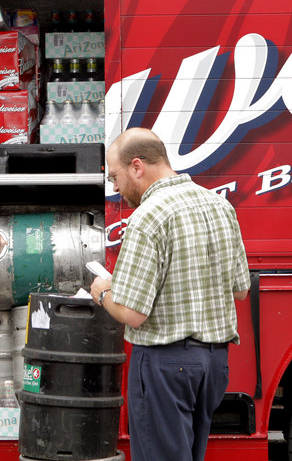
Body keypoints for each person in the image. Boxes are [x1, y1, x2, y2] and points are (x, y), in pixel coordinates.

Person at [90, 127, 251, 461]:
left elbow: (133, 313)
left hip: (166, 363)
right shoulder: (220, 205)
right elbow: (240, 289)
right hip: (213, 364)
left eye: (116, 176)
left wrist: (104, 293)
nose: (115, 187)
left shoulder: (148, 217)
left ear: (137, 166)